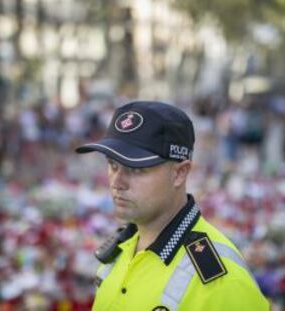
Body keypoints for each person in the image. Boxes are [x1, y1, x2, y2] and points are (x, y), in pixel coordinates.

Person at [76, 100, 269, 311]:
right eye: (113, 165)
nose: (117, 182)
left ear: (179, 173)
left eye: (136, 169)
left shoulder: (222, 282)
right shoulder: (121, 249)